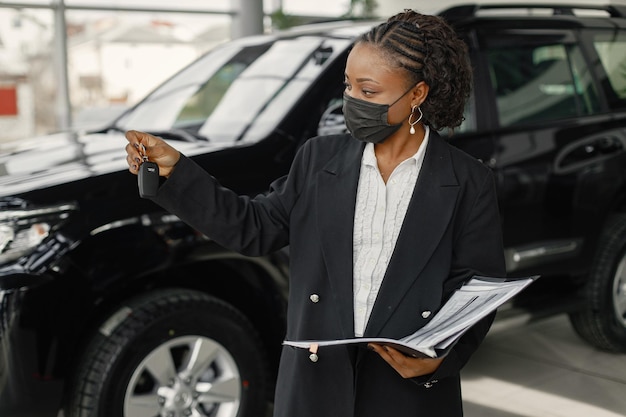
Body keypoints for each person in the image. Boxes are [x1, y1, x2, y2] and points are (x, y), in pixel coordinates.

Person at [125, 9, 506, 417]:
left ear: (417, 94)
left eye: (369, 91)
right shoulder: (317, 160)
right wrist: (177, 172)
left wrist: (439, 359)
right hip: (315, 387)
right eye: (349, 86)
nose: (353, 101)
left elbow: (476, 288)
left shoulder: (468, 180)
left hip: (407, 393)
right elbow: (253, 229)